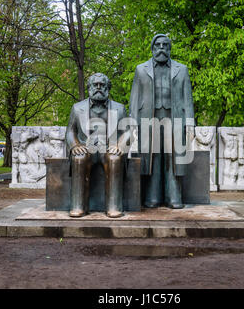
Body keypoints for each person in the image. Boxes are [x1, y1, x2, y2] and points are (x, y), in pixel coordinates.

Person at [129, 34, 195, 209]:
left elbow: (187, 97)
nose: (161, 48)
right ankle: (153, 197)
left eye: (165, 45)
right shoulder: (141, 69)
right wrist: (132, 123)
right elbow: (134, 98)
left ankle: (174, 197)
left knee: (173, 157)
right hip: (148, 120)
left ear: (169, 48)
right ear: (152, 48)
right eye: (157, 45)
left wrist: (190, 123)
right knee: (152, 158)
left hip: (175, 119)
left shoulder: (182, 69)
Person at [65, 73, 130, 218]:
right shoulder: (77, 108)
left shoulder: (119, 109)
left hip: (109, 148)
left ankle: (114, 207)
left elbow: (127, 132)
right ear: (89, 87)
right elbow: (70, 131)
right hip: (86, 147)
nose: (99, 88)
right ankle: (78, 206)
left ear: (108, 88)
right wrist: (75, 145)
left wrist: (120, 145)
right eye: (95, 85)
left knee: (114, 158)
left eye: (102, 85)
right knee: (79, 157)